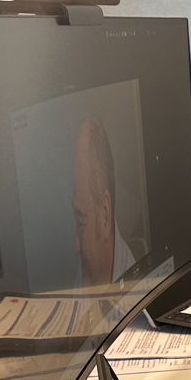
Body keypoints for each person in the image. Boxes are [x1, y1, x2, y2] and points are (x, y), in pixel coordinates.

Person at [72, 117, 135, 288]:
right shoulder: (88, 269)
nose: (76, 246)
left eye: (81, 221)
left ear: (105, 214)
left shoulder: (134, 291)